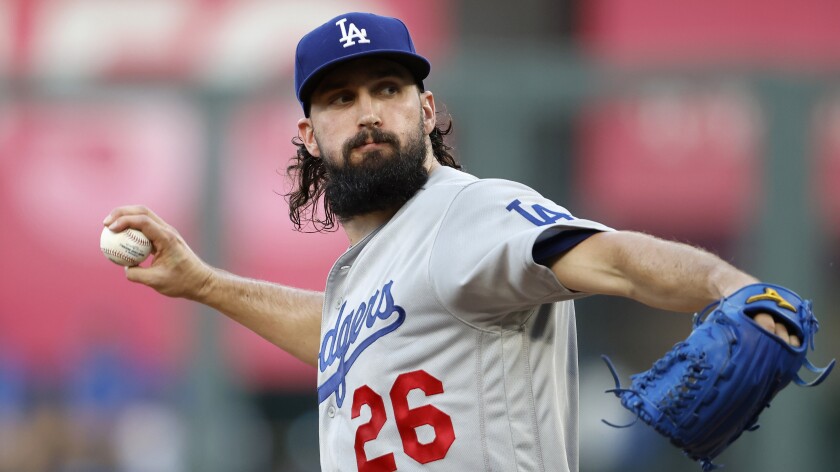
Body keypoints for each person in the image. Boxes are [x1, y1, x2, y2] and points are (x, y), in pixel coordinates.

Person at [103, 12, 801, 472]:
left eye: (387, 88)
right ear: (309, 136)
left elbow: (611, 257)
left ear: (426, 110)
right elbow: (343, 334)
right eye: (341, 99)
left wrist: (730, 287)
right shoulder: (372, 270)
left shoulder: (469, 212)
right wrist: (203, 284)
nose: (369, 112)